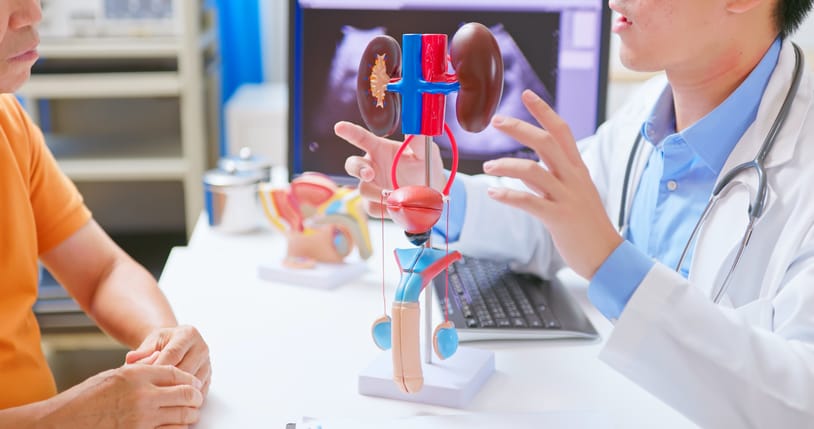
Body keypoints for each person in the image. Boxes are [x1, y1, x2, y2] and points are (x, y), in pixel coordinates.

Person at [336, 0, 814, 426]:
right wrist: (436, 195)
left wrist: (610, 263)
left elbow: (800, 399)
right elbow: (557, 224)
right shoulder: (649, 109)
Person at [0, 0, 211, 427]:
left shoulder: (9, 124)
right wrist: (74, 416)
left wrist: (164, 343)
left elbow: (103, 272)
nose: (31, 14)